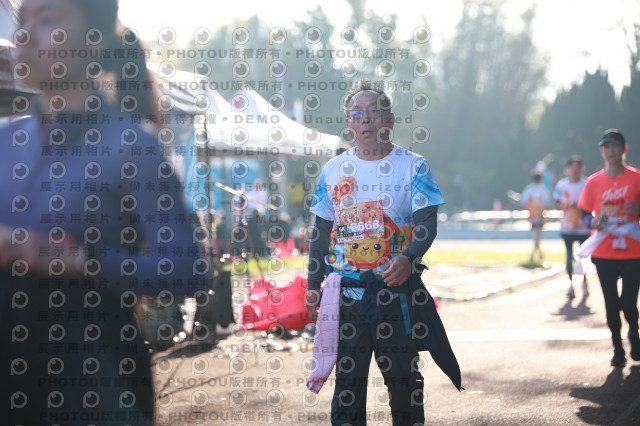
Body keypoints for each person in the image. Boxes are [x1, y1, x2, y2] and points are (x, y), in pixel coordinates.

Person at [0, 0, 207, 423]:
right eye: (22, 21)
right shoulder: (6, 141)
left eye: (48, 19)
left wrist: (81, 259)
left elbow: (188, 269)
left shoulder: (132, 145)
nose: (23, 35)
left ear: (94, 41)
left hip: (94, 381)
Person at [305, 79, 462, 425]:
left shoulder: (413, 165)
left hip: (395, 294)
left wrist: (409, 257)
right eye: (356, 114)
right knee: (348, 387)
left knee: (404, 384)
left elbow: (427, 222)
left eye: (374, 113)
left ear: (389, 120)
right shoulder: (333, 170)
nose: (365, 120)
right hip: (348, 296)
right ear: (348, 123)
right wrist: (313, 284)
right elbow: (321, 232)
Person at [576, 129, 640, 367]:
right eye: (606, 147)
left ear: (624, 149)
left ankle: (634, 332)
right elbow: (584, 213)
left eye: (615, 146)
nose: (610, 151)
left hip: (633, 249)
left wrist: (638, 211)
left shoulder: (636, 178)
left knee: (628, 302)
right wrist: (591, 222)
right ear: (601, 151)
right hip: (604, 250)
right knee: (611, 304)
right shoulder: (594, 182)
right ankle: (617, 349)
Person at [552, 155, 591, 299]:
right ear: (567, 169)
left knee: (583, 257)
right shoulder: (562, 185)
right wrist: (562, 204)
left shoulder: (586, 184)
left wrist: (581, 208)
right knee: (569, 256)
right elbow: (556, 199)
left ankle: (585, 283)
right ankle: (570, 285)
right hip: (567, 227)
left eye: (577, 168)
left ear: (582, 168)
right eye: (572, 168)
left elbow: (591, 202)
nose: (574, 171)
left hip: (583, 228)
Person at [521, 168, 552, 263]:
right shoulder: (543, 189)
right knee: (537, 234)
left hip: (533, 215)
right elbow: (546, 203)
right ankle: (537, 254)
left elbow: (524, 202)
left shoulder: (529, 189)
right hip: (540, 215)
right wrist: (546, 215)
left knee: (536, 234)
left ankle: (535, 254)